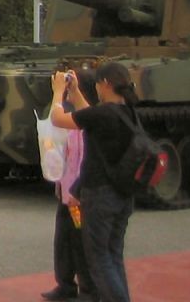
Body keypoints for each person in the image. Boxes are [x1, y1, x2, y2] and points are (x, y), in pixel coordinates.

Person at [50, 61, 139, 302]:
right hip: (122, 193)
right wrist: (76, 92)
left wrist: (58, 92)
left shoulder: (103, 114)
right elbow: (89, 114)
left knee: (100, 260)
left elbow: (58, 119)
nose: (97, 88)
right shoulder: (126, 111)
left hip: (100, 195)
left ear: (106, 84)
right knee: (113, 255)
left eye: (99, 84)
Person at [42, 70, 97, 301]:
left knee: (80, 241)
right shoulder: (76, 117)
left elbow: (55, 118)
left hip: (79, 194)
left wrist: (58, 92)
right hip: (67, 190)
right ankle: (65, 283)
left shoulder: (91, 117)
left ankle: (88, 289)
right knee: (64, 239)